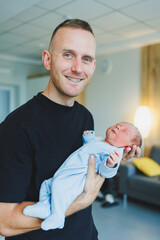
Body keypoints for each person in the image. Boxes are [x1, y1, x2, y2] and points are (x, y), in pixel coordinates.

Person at [0, 19, 141, 240]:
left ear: (93, 66)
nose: (77, 68)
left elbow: (87, 169)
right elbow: (5, 222)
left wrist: (115, 156)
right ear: (47, 60)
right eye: (68, 55)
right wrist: (80, 203)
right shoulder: (15, 127)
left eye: (86, 59)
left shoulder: (86, 117)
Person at [23, 122, 142, 231]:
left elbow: (107, 172)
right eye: (118, 125)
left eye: (124, 131)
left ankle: (58, 217)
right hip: (68, 171)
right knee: (46, 184)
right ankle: (43, 206)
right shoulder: (101, 142)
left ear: (127, 147)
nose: (118, 127)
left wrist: (111, 164)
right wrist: (88, 138)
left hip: (77, 178)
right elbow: (89, 147)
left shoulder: (114, 152)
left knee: (59, 188)